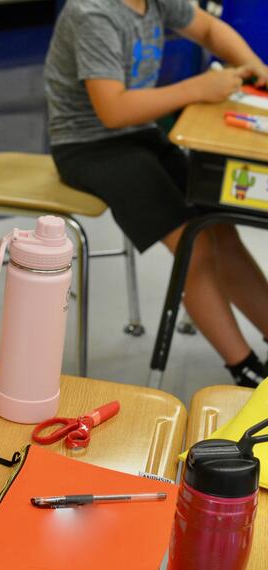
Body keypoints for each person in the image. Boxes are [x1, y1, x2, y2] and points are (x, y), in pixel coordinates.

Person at [45, 0, 268, 386]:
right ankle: (246, 370)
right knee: (194, 245)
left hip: (139, 134)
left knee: (219, 228)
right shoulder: (92, 13)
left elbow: (210, 29)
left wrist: (256, 67)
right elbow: (112, 111)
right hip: (88, 147)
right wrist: (197, 88)